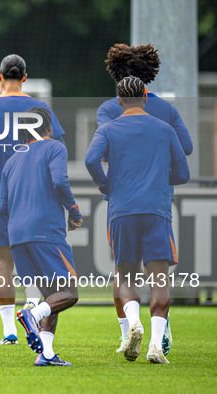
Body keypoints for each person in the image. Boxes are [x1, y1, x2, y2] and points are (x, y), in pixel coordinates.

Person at [0, 54, 66, 345]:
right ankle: (34, 308)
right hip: (35, 195)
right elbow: (57, 144)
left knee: (4, 261)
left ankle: (8, 330)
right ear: (25, 78)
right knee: (39, 259)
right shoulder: (39, 107)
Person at [97, 43, 193, 356]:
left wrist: (107, 182)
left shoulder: (110, 110)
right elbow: (187, 149)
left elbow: (107, 147)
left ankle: (127, 334)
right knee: (158, 273)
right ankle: (159, 335)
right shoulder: (166, 111)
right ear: (148, 76)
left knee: (124, 271)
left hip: (122, 201)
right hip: (158, 201)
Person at [0, 106, 82, 367]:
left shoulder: (12, 160)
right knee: (69, 292)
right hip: (45, 231)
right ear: (47, 127)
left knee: (51, 295)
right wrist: (74, 209)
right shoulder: (54, 147)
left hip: (17, 235)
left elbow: (2, 206)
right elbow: (59, 181)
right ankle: (31, 315)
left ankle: (46, 354)